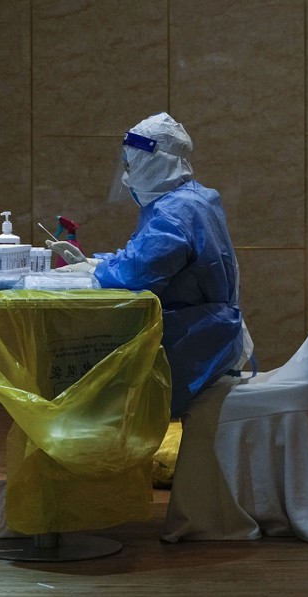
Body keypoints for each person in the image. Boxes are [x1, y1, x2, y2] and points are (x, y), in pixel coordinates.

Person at [47, 112, 253, 418]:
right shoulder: (193, 199)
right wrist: (94, 261)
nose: (128, 176)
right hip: (210, 333)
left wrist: (94, 271)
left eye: (134, 165)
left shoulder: (175, 212)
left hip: (193, 342)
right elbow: (142, 257)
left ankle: (101, 460)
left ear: (158, 163)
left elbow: (136, 275)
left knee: (83, 377)